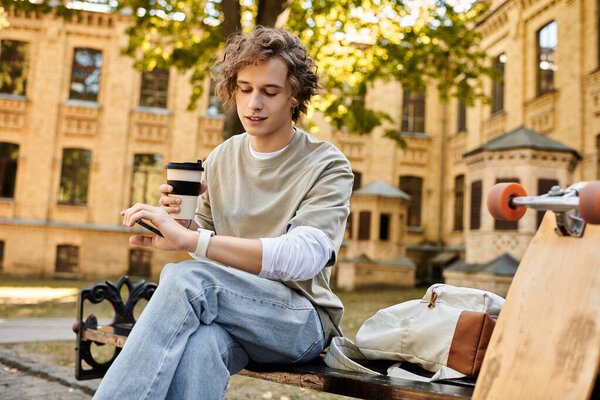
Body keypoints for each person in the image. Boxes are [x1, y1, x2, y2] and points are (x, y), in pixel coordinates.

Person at [94, 26, 353, 400]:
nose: (253, 104)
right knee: (202, 344)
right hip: (232, 312)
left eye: (270, 91)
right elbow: (210, 244)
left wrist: (195, 240)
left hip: (300, 322)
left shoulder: (326, 163)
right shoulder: (221, 158)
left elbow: (305, 258)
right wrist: (183, 226)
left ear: (294, 94)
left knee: (187, 279)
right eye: (245, 89)